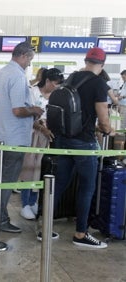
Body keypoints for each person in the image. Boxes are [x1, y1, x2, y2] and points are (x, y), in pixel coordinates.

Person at [46, 47, 111, 248]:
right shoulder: (98, 83)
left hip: (63, 138)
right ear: (101, 64)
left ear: (86, 60)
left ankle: (45, 228)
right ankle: (81, 234)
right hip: (83, 142)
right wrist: (107, 130)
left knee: (59, 184)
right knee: (87, 187)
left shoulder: (71, 78)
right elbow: (103, 117)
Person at [0, 42, 44, 233]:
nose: (29, 64)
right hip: (14, 138)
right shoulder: (18, 76)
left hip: (1, 134)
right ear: (24, 56)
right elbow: (18, 110)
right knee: (7, 181)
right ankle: (0, 220)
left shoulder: (2, 72)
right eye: (30, 60)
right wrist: (34, 110)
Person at [18, 68, 64, 220]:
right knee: (29, 168)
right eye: (55, 83)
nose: (56, 87)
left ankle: (33, 201)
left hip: (47, 137)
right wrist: (39, 126)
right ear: (48, 81)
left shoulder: (56, 96)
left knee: (41, 169)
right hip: (31, 134)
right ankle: (24, 203)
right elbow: (26, 113)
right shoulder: (32, 91)